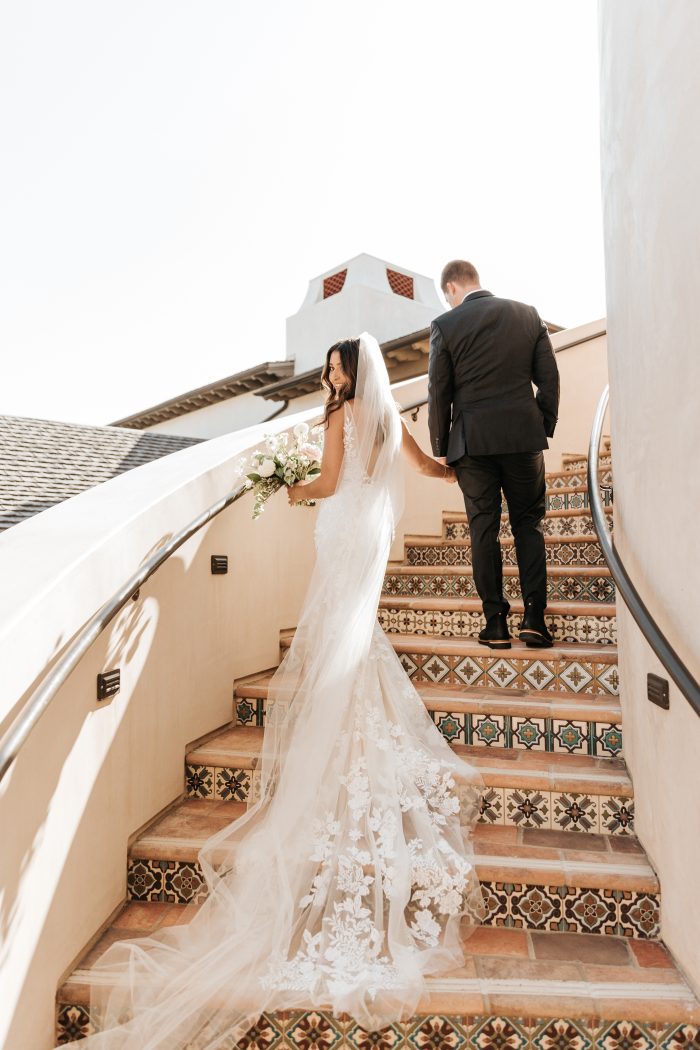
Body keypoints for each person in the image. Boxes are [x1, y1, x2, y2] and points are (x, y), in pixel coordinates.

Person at [59, 333, 485, 1049]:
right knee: (355, 631)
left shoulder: (337, 417)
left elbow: (324, 483)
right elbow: (429, 467)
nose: (329, 374)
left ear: (351, 369)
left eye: (334, 366)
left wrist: (282, 486)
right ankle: (349, 703)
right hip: (371, 533)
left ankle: (336, 710)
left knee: (337, 631)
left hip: (343, 528)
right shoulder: (389, 418)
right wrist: (468, 472)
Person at [428, 260, 560, 650]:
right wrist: (542, 425)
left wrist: (442, 450)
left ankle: (496, 623)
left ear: (451, 287)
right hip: (523, 438)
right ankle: (535, 618)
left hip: (472, 444)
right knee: (528, 525)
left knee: (483, 529)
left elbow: (439, 392)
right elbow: (549, 379)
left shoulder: (446, 326)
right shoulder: (527, 315)